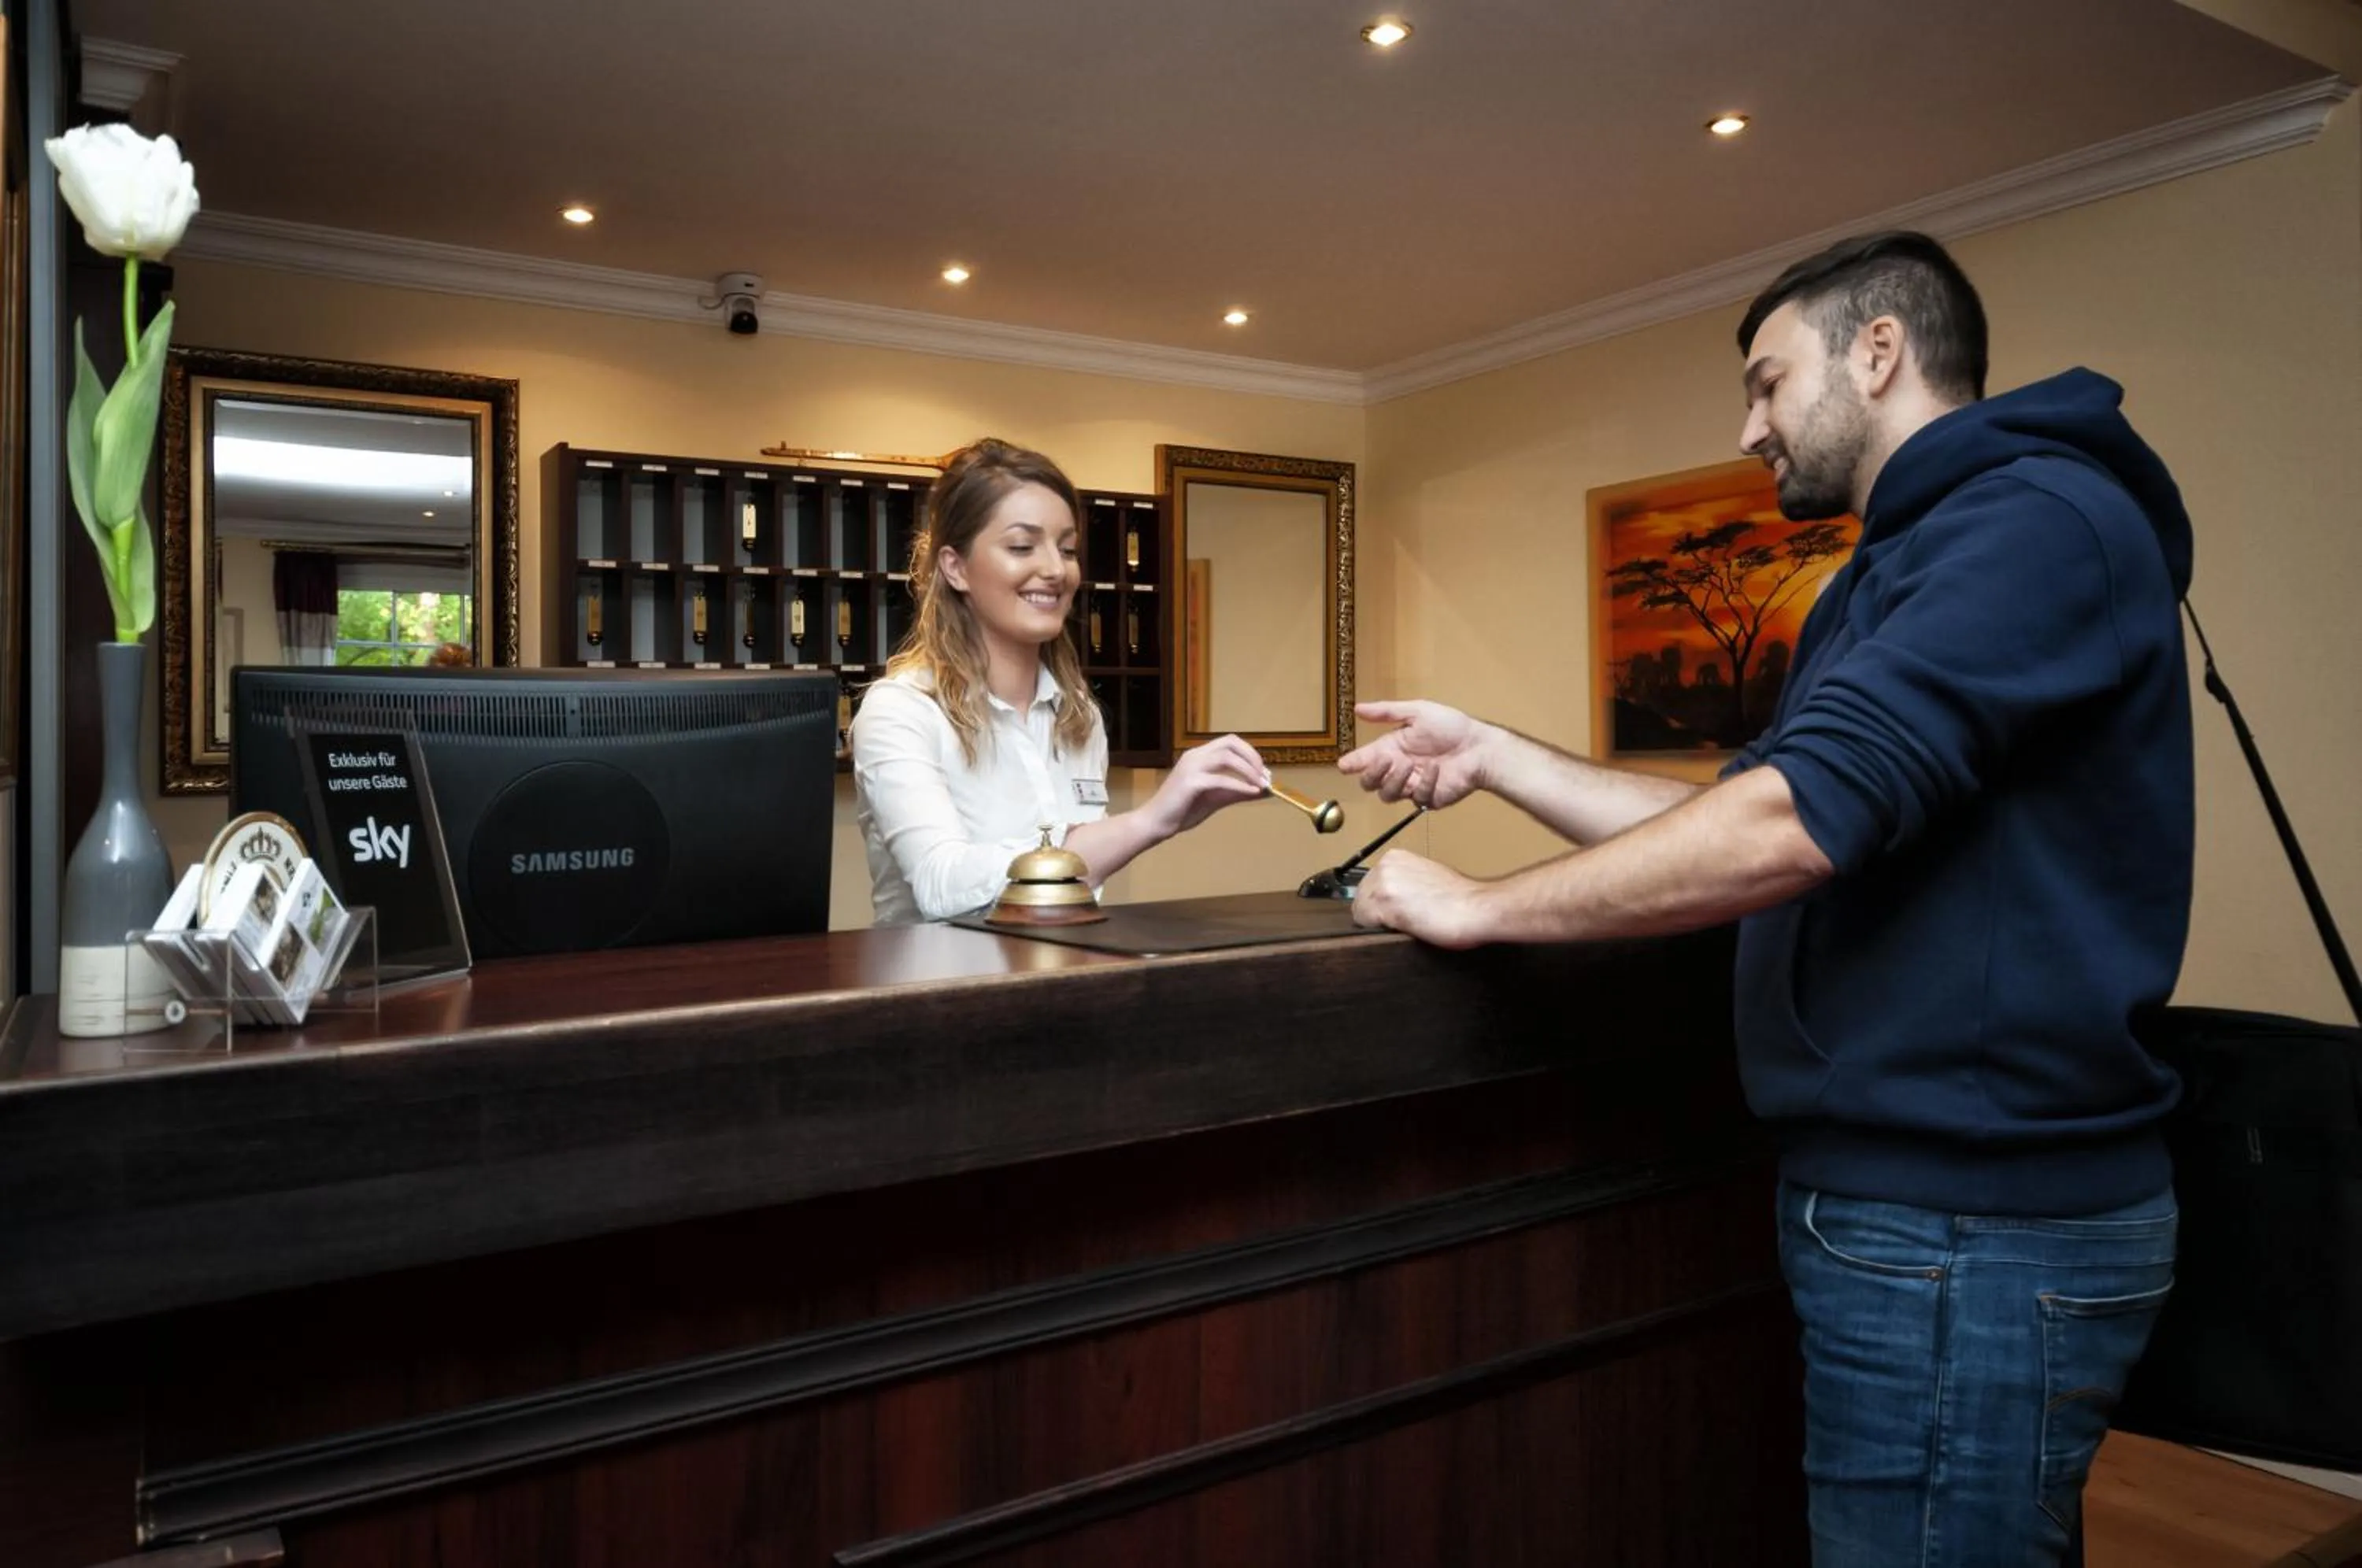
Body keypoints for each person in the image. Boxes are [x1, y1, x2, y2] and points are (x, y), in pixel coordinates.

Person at [1340, 231, 2192, 1567]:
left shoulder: (2030, 524)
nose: (1751, 427)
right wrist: (1492, 755)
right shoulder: (1888, 570)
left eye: (1767, 382)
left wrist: (1481, 908)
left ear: (1880, 349)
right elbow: (1748, 801)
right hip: (1918, 1217)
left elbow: (1785, 824)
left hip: (1972, 1226)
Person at [853, 438, 1269, 924]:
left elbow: (1080, 891)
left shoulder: (1079, 717)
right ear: (956, 567)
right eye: (1022, 546)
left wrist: (1163, 822)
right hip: (942, 994)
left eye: (1067, 548)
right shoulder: (902, 710)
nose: (1055, 569)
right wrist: (1152, 820)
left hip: (1067, 986)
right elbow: (941, 884)